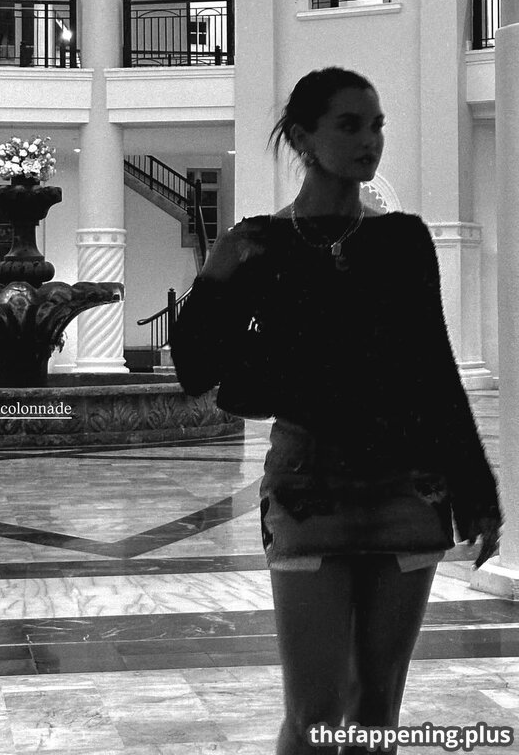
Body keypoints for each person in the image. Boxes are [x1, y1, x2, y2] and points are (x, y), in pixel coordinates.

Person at [169, 66, 502, 755]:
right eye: (349, 125)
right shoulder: (259, 243)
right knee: (313, 717)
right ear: (303, 137)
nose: (368, 140)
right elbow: (197, 370)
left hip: (407, 492)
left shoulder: (403, 239)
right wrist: (219, 275)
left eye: (376, 125)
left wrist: (477, 493)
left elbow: (434, 372)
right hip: (308, 490)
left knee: (376, 712)